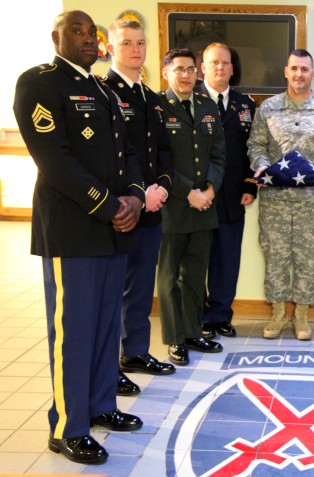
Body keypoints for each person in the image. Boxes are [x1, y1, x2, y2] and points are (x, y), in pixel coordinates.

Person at [13, 10, 145, 465]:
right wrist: (111, 206)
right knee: (73, 331)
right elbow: (56, 162)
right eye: (78, 31)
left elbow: (125, 151)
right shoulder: (39, 83)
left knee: (107, 327)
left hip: (114, 230)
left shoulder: (102, 88)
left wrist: (132, 196)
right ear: (56, 38)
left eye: (93, 33)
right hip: (74, 230)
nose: (89, 39)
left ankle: (102, 405)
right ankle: (68, 427)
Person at [247, 49, 314, 340]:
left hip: (312, 201)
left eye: (305, 69)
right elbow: (256, 144)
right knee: (275, 257)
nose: (299, 74)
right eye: (294, 69)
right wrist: (262, 164)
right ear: (286, 72)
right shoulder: (268, 109)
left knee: (308, 258)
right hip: (275, 200)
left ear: (313, 73)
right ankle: (278, 314)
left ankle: (301, 315)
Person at [104, 18, 175, 395]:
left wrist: (161, 187)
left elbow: (163, 149)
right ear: (112, 48)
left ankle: (135, 352)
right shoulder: (105, 92)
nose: (136, 48)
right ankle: (108, 365)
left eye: (141, 42)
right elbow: (110, 157)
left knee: (141, 284)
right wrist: (138, 191)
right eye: (127, 42)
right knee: (114, 289)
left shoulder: (151, 97)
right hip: (123, 209)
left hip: (151, 207)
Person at [156, 48, 226, 365]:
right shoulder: (158, 108)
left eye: (190, 69)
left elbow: (218, 155)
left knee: (196, 275)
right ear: (166, 73)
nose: (186, 75)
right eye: (179, 69)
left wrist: (210, 187)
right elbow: (159, 161)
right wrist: (189, 193)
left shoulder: (208, 107)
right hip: (173, 206)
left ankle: (193, 331)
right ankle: (175, 339)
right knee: (170, 276)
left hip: (204, 207)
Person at [196, 42, 257, 338]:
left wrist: (250, 185)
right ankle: (196, 319)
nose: (220, 67)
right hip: (196, 199)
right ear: (203, 67)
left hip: (233, 196)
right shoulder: (189, 98)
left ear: (233, 68)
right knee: (196, 261)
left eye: (226, 62)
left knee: (227, 260)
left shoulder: (245, 105)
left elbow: (251, 150)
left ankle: (220, 315)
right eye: (214, 62)